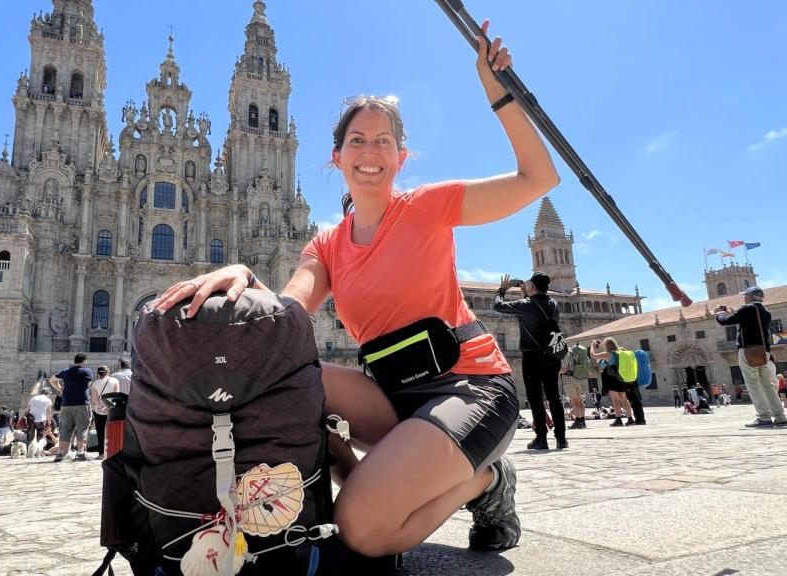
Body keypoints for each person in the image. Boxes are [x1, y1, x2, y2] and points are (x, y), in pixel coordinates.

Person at [153, 22, 559, 557]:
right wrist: (245, 278)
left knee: (364, 531)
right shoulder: (325, 246)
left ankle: (487, 481)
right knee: (281, 381)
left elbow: (538, 178)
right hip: (393, 396)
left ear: (400, 157)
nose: (370, 151)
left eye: (383, 141)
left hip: (469, 387)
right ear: (336, 155)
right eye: (357, 140)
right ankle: (401, 474)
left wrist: (496, 88)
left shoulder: (428, 206)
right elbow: (286, 310)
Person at [493, 272, 568, 450]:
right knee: (554, 397)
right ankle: (561, 438)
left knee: (535, 398)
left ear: (533, 287)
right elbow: (537, 309)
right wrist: (527, 294)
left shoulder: (525, 304)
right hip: (551, 354)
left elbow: (498, 306)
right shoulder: (554, 304)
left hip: (532, 356)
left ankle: (541, 438)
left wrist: (501, 290)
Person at [715, 287, 787, 427]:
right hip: (764, 351)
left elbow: (725, 322)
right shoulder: (766, 311)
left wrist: (719, 314)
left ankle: (764, 417)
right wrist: (733, 313)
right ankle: (780, 416)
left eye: (745, 295)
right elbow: (745, 321)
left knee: (753, 383)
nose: (743, 298)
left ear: (750, 296)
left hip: (748, 350)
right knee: (767, 385)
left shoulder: (747, 309)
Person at [48, 352, 94, 462]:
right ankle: (80, 453)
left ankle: (60, 454)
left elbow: (52, 380)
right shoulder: (87, 371)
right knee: (82, 427)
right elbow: (89, 384)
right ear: (84, 361)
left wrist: (60, 389)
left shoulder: (65, 371)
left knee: (65, 428)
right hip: (82, 402)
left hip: (66, 404)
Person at [590, 338, 635, 427]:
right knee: (624, 399)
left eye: (604, 345)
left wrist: (592, 345)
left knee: (615, 400)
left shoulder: (608, 354)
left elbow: (593, 355)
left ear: (607, 345)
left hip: (611, 378)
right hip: (620, 377)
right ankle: (630, 419)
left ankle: (618, 420)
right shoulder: (619, 352)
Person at [89, 365, 120, 461]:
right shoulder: (115, 381)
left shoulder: (95, 383)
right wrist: (108, 407)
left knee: (100, 432)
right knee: (113, 431)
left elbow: (94, 399)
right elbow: (116, 396)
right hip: (112, 410)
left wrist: (101, 407)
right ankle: (114, 452)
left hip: (99, 411)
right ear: (108, 372)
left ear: (98, 373)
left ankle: (102, 453)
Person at [559, 347, 587, 430]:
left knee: (574, 401)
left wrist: (553, 369)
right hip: (578, 379)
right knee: (580, 401)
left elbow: (564, 370)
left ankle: (577, 421)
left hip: (569, 380)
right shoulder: (575, 354)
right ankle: (582, 421)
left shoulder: (565, 354)